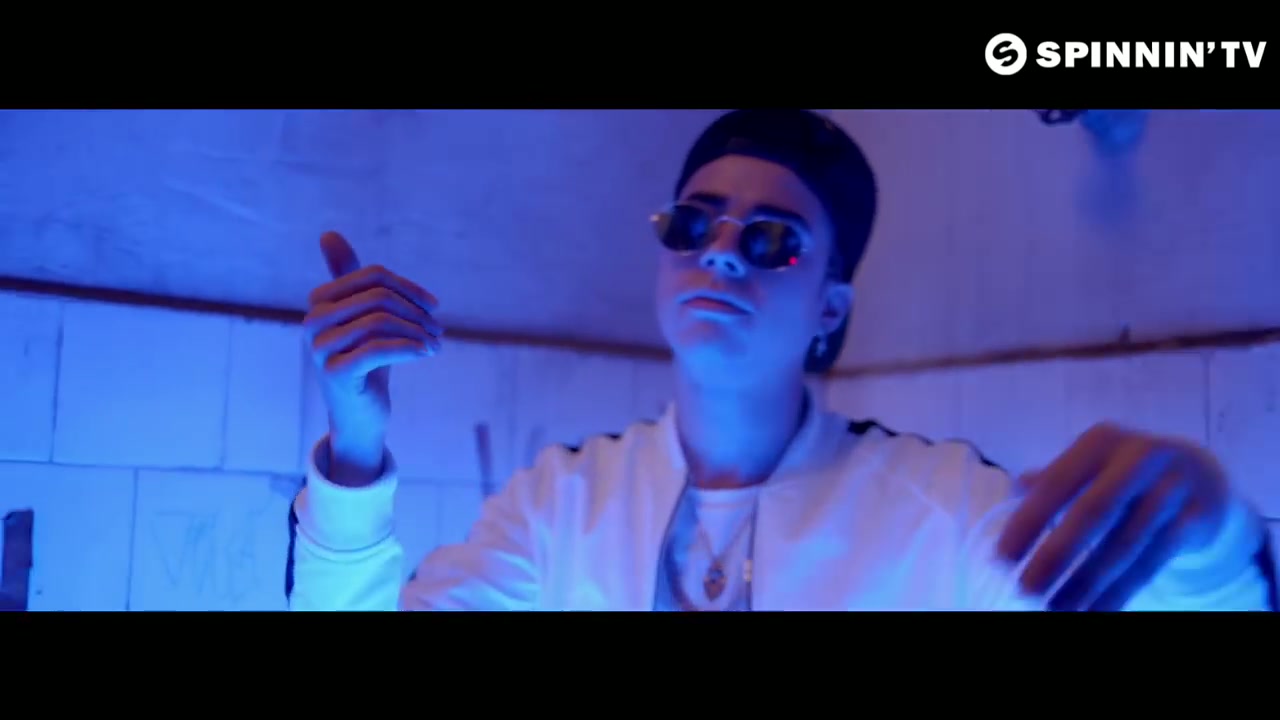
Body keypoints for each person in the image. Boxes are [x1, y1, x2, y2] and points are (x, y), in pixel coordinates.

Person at [286, 108, 1276, 611]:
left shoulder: (939, 507)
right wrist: (354, 452)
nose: (721, 252)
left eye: (772, 240)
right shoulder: (561, 505)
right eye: (694, 223)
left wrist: (1209, 547)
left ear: (829, 306)